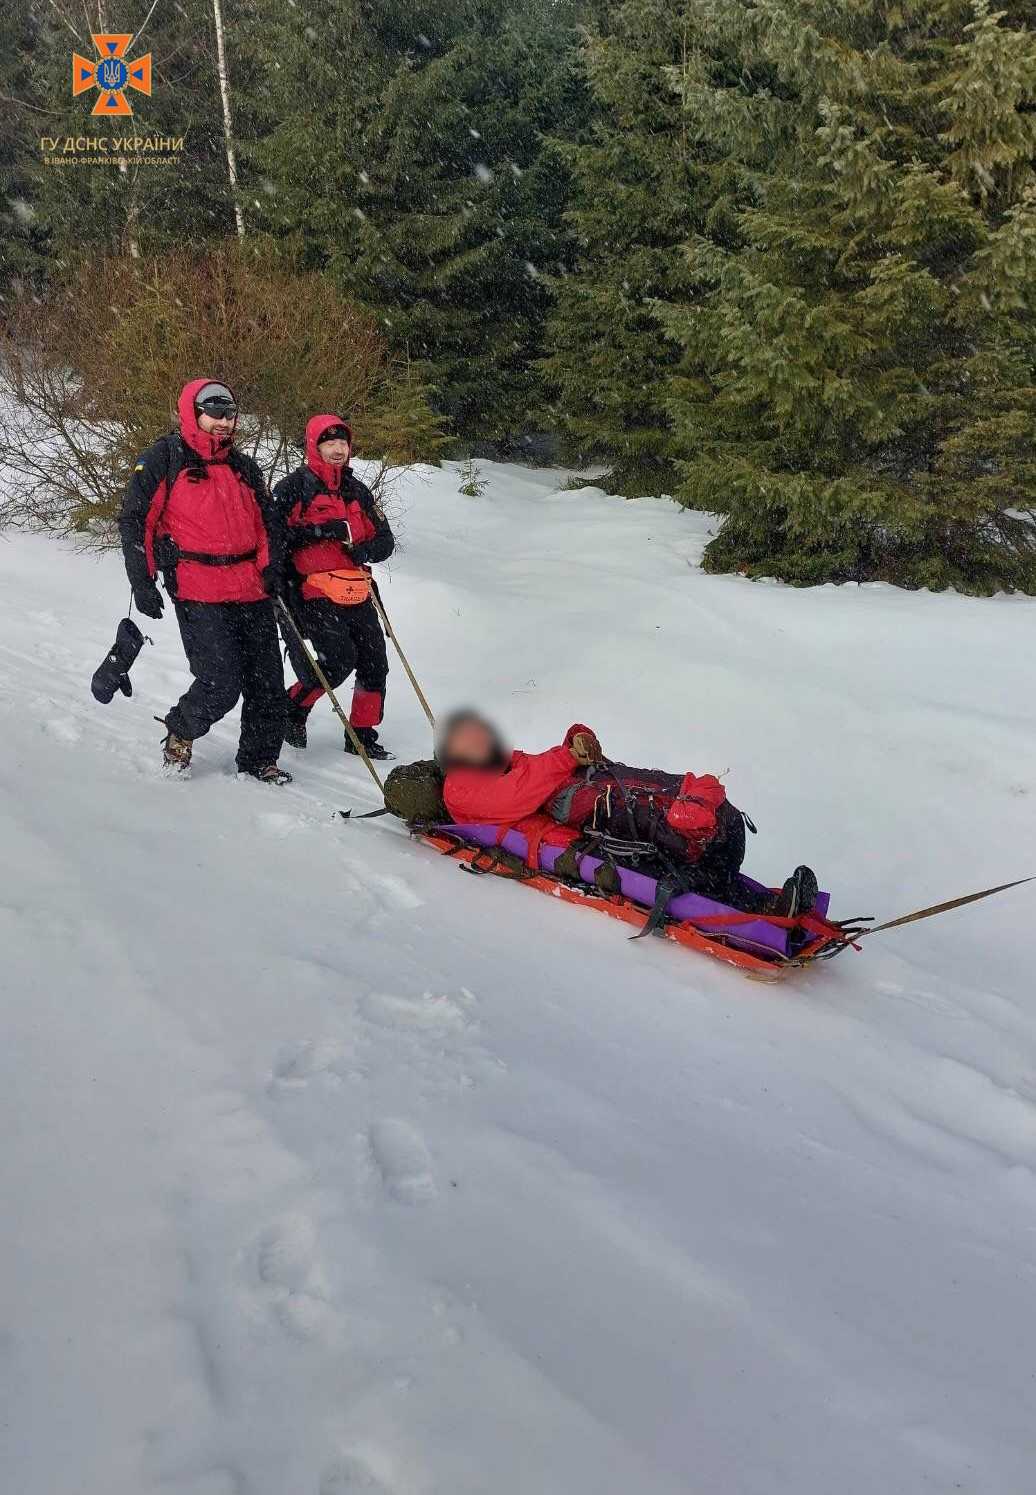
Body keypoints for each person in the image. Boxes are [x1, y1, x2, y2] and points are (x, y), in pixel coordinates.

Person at [435, 711, 819, 917]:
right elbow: (515, 798)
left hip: (585, 815)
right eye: (473, 739)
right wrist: (567, 756)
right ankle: (759, 911)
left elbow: (539, 768)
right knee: (658, 848)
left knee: (656, 796)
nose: (485, 739)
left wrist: (577, 742)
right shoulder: (460, 786)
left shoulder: (505, 761)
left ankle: (721, 844)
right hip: (576, 838)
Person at [118, 378, 291, 784]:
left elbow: (268, 525)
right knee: (221, 681)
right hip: (198, 589)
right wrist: (143, 580)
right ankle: (181, 727)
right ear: (192, 413)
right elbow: (135, 520)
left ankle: (258, 759)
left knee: (268, 682)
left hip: (251, 588)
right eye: (214, 413)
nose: (223, 422)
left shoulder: (244, 467)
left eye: (229, 414)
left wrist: (271, 567)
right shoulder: (165, 458)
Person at [273, 415, 395, 760]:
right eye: (330, 443)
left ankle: (361, 734)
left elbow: (384, 540)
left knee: (374, 661)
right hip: (312, 591)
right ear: (314, 446)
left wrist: (365, 550)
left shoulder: (357, 490)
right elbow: (274, 538)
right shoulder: (293, 488)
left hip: (355, 587)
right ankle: (293, 706)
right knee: (338, 661)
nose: (338, 449)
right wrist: (322, 532)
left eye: (343, 443)